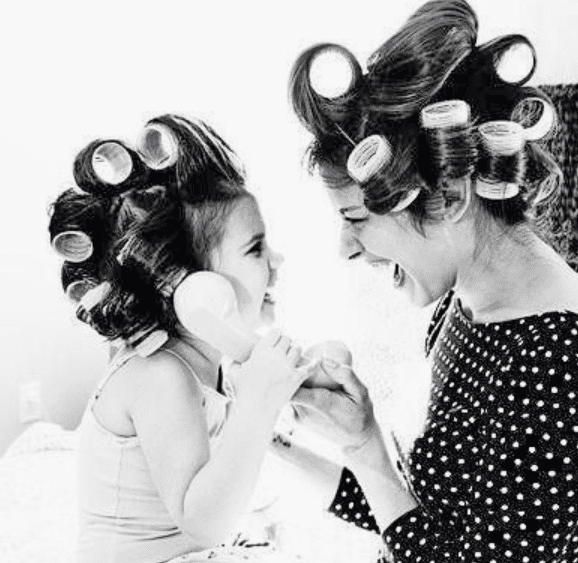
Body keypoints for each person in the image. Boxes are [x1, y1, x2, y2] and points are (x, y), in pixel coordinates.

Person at [288, 0, 578, 561]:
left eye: (354, 220)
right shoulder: (465, 304)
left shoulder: (556, 358)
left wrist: (368, 449)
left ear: (448, 199)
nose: (345, 249)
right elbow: (430, 513)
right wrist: (276, 434)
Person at [48, 115, 345, 563]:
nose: (276, 260)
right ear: (196, 289)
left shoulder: (211, 367)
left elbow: (234, 474)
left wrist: (294, 388)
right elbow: (204, 520)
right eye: (255, 248)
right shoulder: (160, 374)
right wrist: (256, 406)